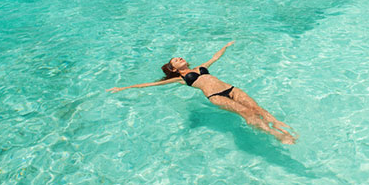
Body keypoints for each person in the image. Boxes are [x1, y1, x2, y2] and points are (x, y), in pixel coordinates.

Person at [107, 41, 297, 144]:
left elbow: (214, 57)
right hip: (216, 97)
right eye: (176, 60)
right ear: (174, 68)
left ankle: (279, 124)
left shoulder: (201, 67)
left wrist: (225, 47)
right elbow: (149, 84)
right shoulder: (180, 79)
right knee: (245, 112)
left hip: (230, 89)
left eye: (180, 57)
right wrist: (123, 88)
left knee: (255, 107)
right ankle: (274, 134)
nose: (180, 58)